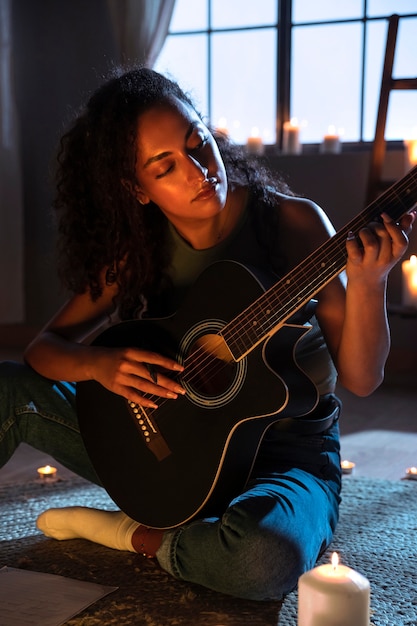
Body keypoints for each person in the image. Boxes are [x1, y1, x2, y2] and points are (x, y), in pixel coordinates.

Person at [0, 66, 414, 602]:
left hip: (286, 455)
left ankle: (136, 534)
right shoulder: (138, 248)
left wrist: (370, 282)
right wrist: (97, 365)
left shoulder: (292, 223)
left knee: (258, 559)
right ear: (138, 189)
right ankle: (174, 515)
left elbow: (360, 379)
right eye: (164, 165)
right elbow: (43, 351)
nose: (198, 171)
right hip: (166, 444)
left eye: (198, 143)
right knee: (8, 388)